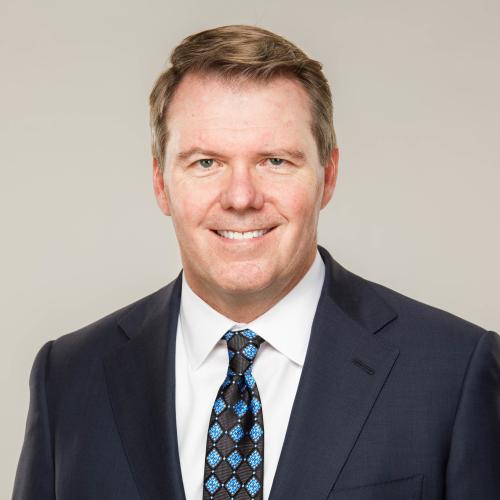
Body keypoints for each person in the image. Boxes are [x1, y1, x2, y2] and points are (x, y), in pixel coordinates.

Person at [12, 25, 499, 500]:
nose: (241, 197)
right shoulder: (68, 377)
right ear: (161, 183)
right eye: (206, 162)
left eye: (275, 161)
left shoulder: (453, 372)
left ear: (328, 176)